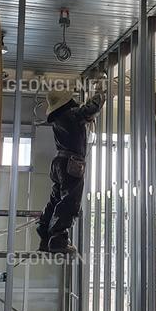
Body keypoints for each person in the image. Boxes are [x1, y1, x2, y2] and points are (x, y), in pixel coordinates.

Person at [37, 79, 106, 253]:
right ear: (67, 102)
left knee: (56, 198)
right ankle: (58, 239)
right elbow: (93, 107)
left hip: (59, 162)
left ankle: (45, 233)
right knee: (70, 201)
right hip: (72, 164)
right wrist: (101, 90)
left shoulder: (58, 118)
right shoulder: (72, 114)